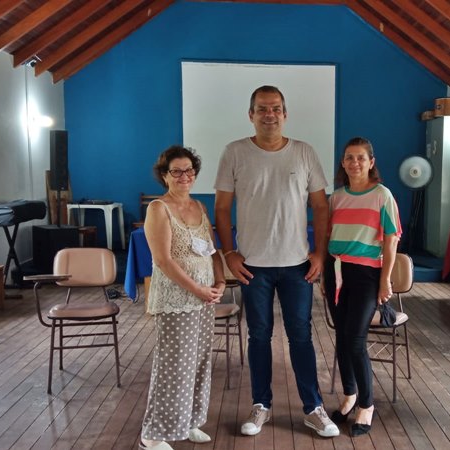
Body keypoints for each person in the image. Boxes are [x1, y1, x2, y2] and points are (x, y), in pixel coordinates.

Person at [214, 85, 339, 438]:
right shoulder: (234, 152)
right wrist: (229, 253)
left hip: (297, 264)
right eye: (262, 108)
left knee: (301, 336)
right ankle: (261, 405)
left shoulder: (304, 152)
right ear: (250, 114)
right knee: (258, 336)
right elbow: (221, 208)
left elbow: (320, 206)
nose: (269, 114)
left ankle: (313, 408)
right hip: (253, 266)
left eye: (275, 108)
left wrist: (319, 252)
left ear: (285, 114)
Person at [140, 145, 226, 449]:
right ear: (165, 175)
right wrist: (197, 289)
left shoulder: (199, 206)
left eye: (189, 170)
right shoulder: (158, 209)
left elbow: (211, 250)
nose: (184, 176)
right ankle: (153, 436)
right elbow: (163, 260)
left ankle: (189, 421)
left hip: (204, 299)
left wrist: (220, 280)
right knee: (173, 365)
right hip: (176, 300)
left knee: (199, 362)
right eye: (176, 171)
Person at [322, 137, 402, 437]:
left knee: (355, 339)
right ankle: (350, 395)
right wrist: (324, 277)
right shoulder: (336, 197)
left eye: (360, 158)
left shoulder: (382, 195)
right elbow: (328, 236)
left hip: (367, 274)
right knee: (342, 338)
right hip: (336, 270)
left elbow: (391, 241)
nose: (354, 162)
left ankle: (367, 404)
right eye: (349, 158)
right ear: (343, 163)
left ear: (371, 162)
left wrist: (385, 280)